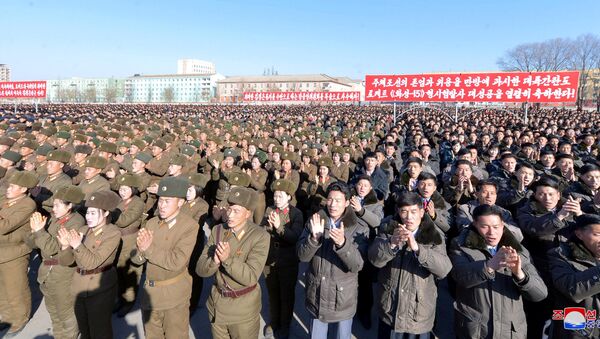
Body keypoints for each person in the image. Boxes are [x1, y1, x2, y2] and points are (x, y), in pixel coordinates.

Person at [450, 204, 548, 339]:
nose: (492, 232)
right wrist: (488, 266)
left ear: (503, 225)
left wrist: (520, 275)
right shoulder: (461, 245)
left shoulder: (518, 250)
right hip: (476, 330)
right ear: (475, 224)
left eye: (496, 227)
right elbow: (460, 276)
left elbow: (540, 294)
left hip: (511, 331)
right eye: (484, 227)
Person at [369, 192, 451, 338]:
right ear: (398, 212)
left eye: (413, 212)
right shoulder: (388, 229)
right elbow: (375, 260)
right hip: (390, 308)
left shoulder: (434, 234)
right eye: (404, 212)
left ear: (421, 212)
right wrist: (391, 244)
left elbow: (444, 269)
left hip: (418, 311)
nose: (409, 217)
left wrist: (419, 249)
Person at [297, 182, 369, 339]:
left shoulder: (358, 227)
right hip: (317, 295)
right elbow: (302, 256)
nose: (333, 204)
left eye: (338, 200)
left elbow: (357, 265)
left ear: (347, 202)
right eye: (330, 199)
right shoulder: (315, 220)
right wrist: (313, 239)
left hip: (342, 299)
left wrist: (343, 244)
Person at [196, 186, 270, 339]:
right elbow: (200, 270)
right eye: (229, 209)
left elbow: (251, 277)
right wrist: (214, 261)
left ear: (248, 213)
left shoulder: (259, 236)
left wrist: (227, 260)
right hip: (217, 305)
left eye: (236, 211)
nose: (230, 214)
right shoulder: (217, 231)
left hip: (243, 312)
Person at [132, 177, 199, 339]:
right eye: (161, 200)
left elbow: (177, 261)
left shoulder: (189, 226)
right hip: (150, 293)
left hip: (173, 296)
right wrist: (140, 252)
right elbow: (136, 259)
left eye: (167, 201)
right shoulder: (152, 223)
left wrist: (148, 249)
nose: (161, 205)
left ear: (181, 202)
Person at [57, 190, 122, 339]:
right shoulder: (83, 230)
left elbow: (92, 263)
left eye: (93, 213)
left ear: (105, 213)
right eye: (87, 213)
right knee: (84, 328)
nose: (88, 217)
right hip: (78, 286)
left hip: (100, 288)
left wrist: (77, 245)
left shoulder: (112, 233)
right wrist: (65, 247)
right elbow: (67, 262)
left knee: (100, 330)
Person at [26, 185, 86, 339]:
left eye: (58, 204)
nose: (54, 207)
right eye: (54, 204)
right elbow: (33, 244)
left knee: (66, 313)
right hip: (47, 272)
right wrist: (33, 231)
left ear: (70, 206)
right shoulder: (55, 218)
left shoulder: (76, 222)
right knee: (53, 311)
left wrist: (40, 231)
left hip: (63, 274)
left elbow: (53, 249)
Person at [261, 179, 304, 339]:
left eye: (280, 196)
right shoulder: (269, 209)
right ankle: (274, 322)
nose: (276, 199)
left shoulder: (296, 214)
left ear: (288, 197)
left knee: (286, 295)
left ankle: (285, 324)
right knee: (273, 293)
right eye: (275, 196)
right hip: (270, 258)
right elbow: (262, 229)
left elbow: (294, 237)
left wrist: (279, 227)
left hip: (288, 260)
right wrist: (267, 228)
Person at [548, 214, 600, 339]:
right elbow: (572, 290)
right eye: (597, 234)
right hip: (580, 329)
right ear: (579, 234)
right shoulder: (561, 255)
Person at [0, 171, 38, 337]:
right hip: (2, 250)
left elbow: (5, 226)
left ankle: (19, 320)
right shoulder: (5, 200)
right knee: (2, 289)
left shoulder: (27, 204)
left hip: (15, 252)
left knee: (16, 288)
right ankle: (7, 318)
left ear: (23, 189)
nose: (8, 189)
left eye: (13, 187)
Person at [113, 173, 146, 317]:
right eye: (121, 188)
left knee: (131, 271)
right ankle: (121, 298)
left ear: (133, 189)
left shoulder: (138, 203)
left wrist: (110, 211)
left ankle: (129, 301)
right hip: (118, 239)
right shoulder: (120, 201)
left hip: (131, 239)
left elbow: (123, 220)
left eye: (126, 189)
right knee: (119, 270)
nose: (122, 191)